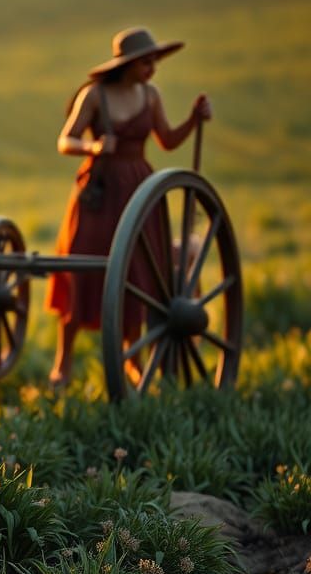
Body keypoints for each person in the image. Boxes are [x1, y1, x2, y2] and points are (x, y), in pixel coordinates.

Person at [44, 27, 212, 388]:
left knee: (136, 272)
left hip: (139, 189)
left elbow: (167, 141)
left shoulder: (151, 96)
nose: (153, 68)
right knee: (82, 266)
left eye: (155, 61)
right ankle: (64, 361)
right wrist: (91, 148)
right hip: (100, 192)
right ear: (129, 64)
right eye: (146, 62)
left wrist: (193, 121)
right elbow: (65, 140)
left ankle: (132, 359)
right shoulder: (94, 95)